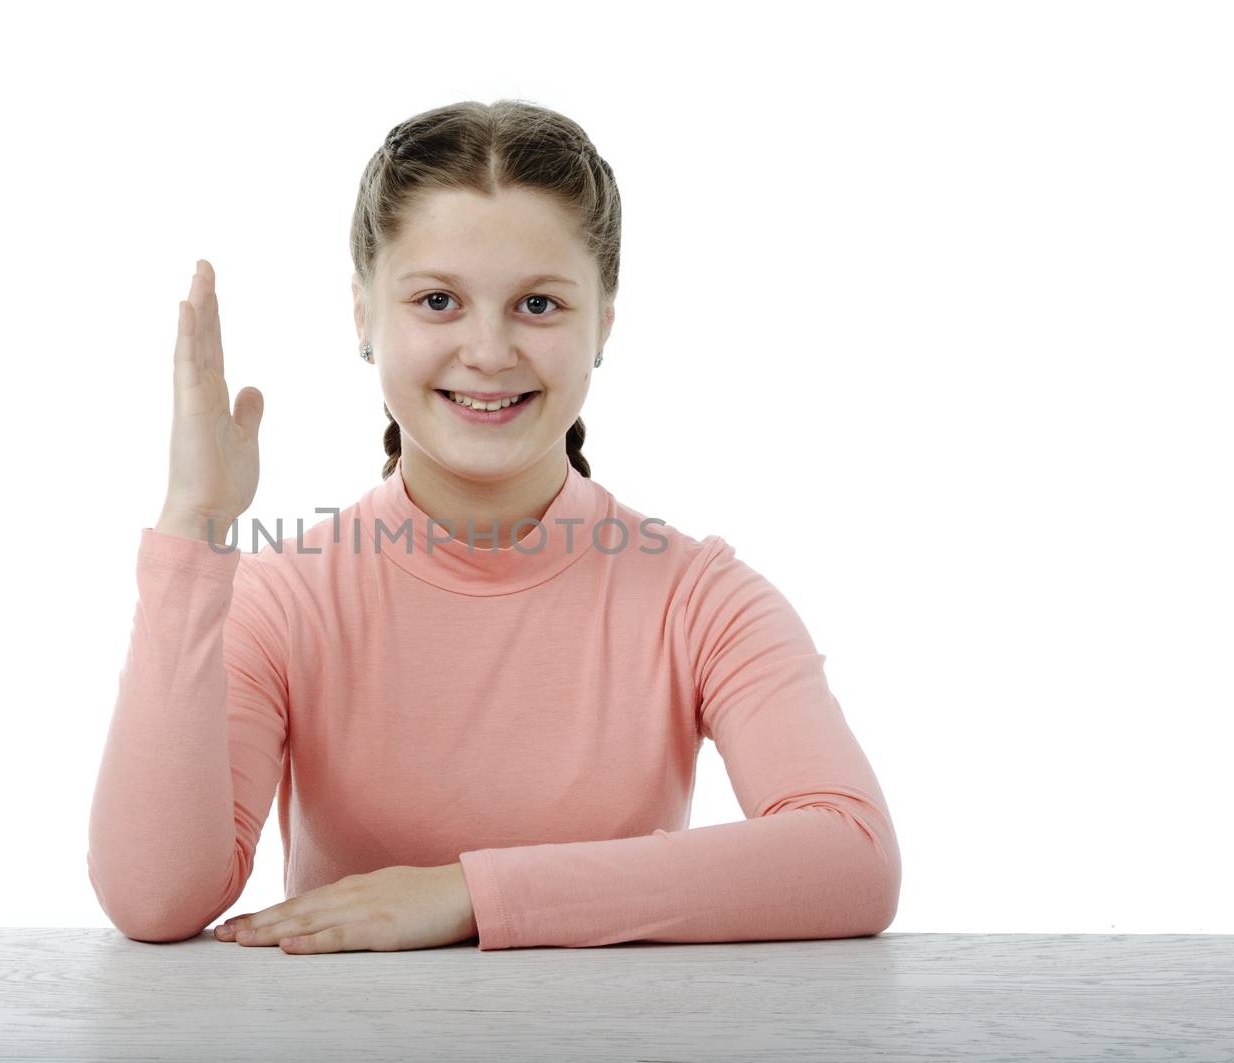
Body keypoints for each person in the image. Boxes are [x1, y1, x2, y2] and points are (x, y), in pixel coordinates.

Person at [86, 99, 901, 953]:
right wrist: (196, 524)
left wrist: (469, 894)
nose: (488, 350)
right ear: (364, 316)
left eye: (538, 305)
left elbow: (851, 854)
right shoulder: (283, 595)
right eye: (438, 299)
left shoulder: (698, 596)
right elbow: (154, 896)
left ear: (603, 326)